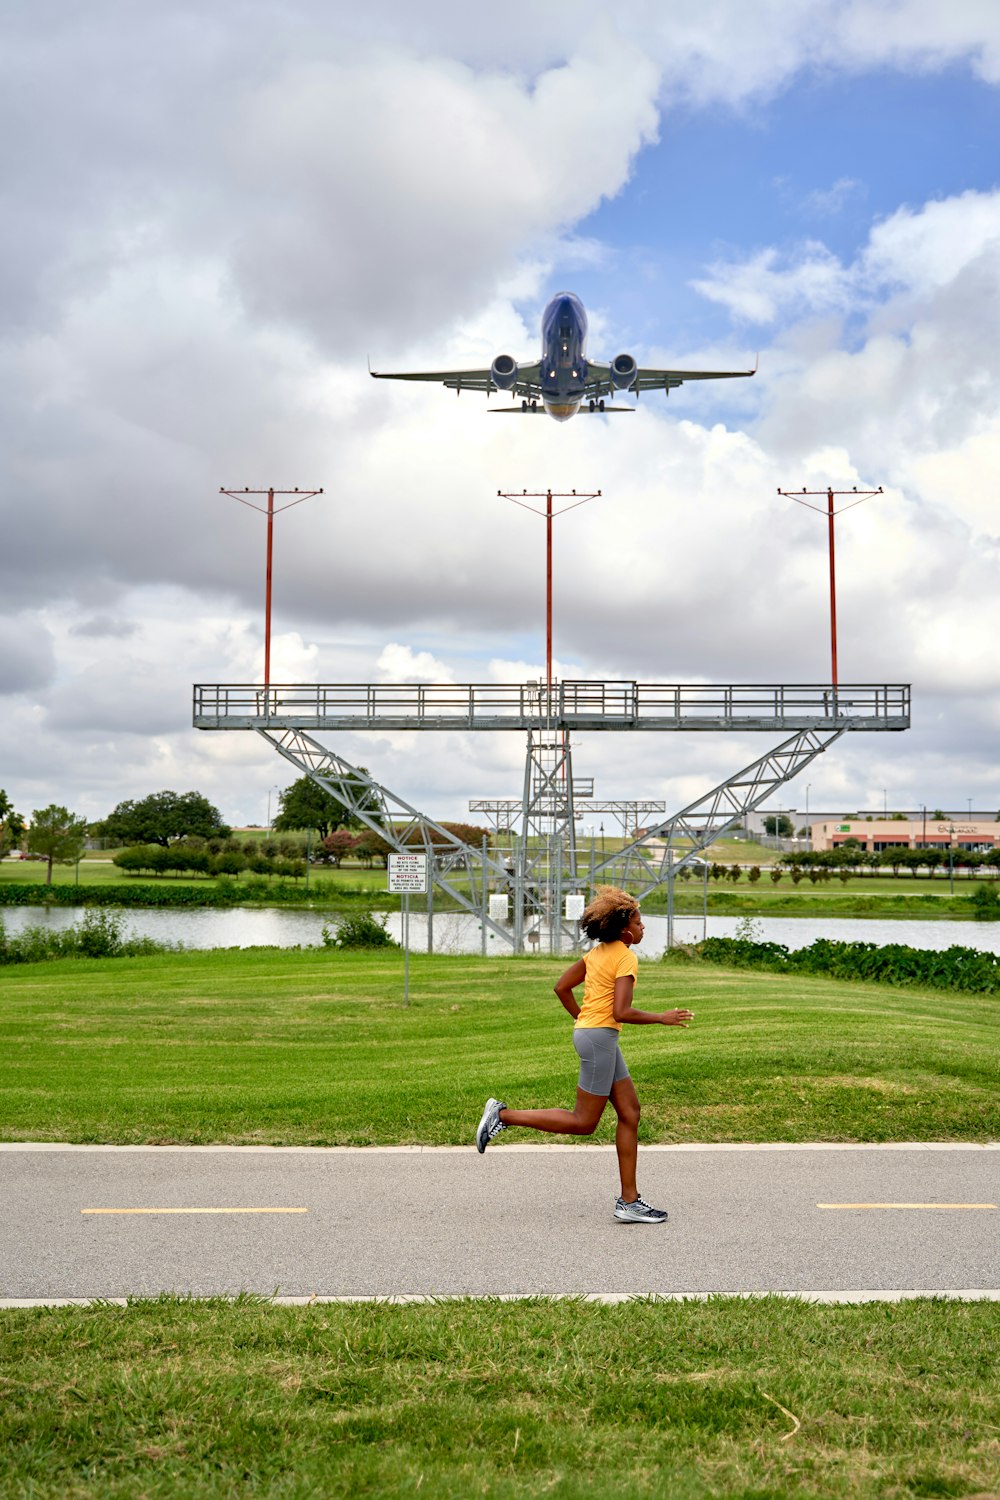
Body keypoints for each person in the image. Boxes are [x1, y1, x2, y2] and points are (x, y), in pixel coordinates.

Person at [474, 886, 693, 1223]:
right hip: (600, 1038)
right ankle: (502, 1116)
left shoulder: (597, 953)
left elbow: (561, 987)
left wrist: (582, 1017)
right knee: (584, 1122)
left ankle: (629, 1201)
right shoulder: (624, 956)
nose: (643, 927)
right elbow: (621, 1011)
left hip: (595, 1036)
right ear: (624, 930)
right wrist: (661, 1017)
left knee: (630, 1112)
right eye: (639, 921)